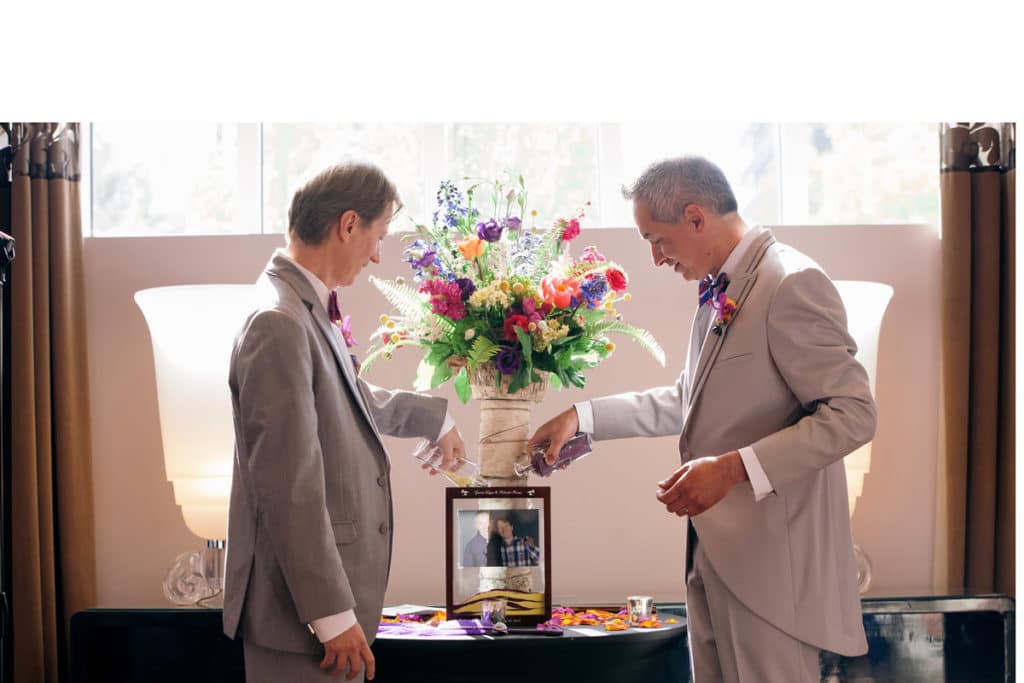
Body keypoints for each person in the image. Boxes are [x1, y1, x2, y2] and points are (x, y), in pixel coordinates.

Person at [529, 156, 873, 682]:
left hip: (775, 575)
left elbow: (854, 414)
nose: (655, 258)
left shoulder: (790, 282)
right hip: (714, 559)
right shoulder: (722, 292)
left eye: (657, 240)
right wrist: (582, 417)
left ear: (694, 217)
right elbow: (689, 400)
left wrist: (733, 468)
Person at [222, 162, 466, 682]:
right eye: (378, 237)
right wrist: (331, 616)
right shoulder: (279, 322)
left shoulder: (302, 307)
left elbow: (347, 397)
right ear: (348, 224)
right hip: (302, 619)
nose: (377, 255)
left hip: (316, 614)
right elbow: (288, 486)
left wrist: (435, 419)